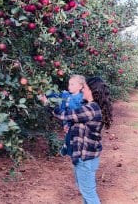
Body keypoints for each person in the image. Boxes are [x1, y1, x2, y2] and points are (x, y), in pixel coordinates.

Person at [51, 76, 113, 204]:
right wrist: (71, 127)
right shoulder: (91, 107)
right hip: (85, 157)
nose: (82, 90)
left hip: (86, 159)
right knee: (86, 192)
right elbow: (78, 123)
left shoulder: (91, 109)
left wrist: (48, 104)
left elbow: (66, 115)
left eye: (84, 88)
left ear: (91, 91)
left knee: (89, 194)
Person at [46, 75, 86, 156]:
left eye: (72, 84)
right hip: (68, 121)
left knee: (75, 141)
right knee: (69, 138)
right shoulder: (66, 95)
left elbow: (77, 114)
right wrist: (45, 93)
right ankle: (69, 149)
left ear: (80, 86)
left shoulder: (81, 99)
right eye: (69, 84)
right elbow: (56, 95)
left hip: (76, 124)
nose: (69, 86)